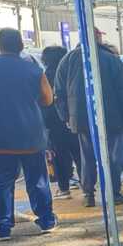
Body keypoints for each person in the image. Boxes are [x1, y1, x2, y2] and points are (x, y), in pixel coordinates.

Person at [0, 28, 57, 241]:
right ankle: (46, 220)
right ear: (21, 46)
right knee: (37, 180)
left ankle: (3, 227)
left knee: (2, 182)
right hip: (30, 136)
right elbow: (47, 99)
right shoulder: (33, 69)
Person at [54, 27, 123, 208]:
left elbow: (58, 92)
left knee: (87, 157)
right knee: (112, 157)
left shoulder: (67, 60)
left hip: (82, 119)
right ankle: (113, 192)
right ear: (97, 38)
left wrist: (66, 117)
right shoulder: (111, 60)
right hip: (112, 118)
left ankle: (88, 194)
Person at [40, 45, 82, 199]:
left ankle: (64, 188)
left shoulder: (46, 76)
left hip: (53, 121)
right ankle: (87, 185)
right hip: (73, 118)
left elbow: (44, 100)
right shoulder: (70, 72)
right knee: (79, 152)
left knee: (59, 155)